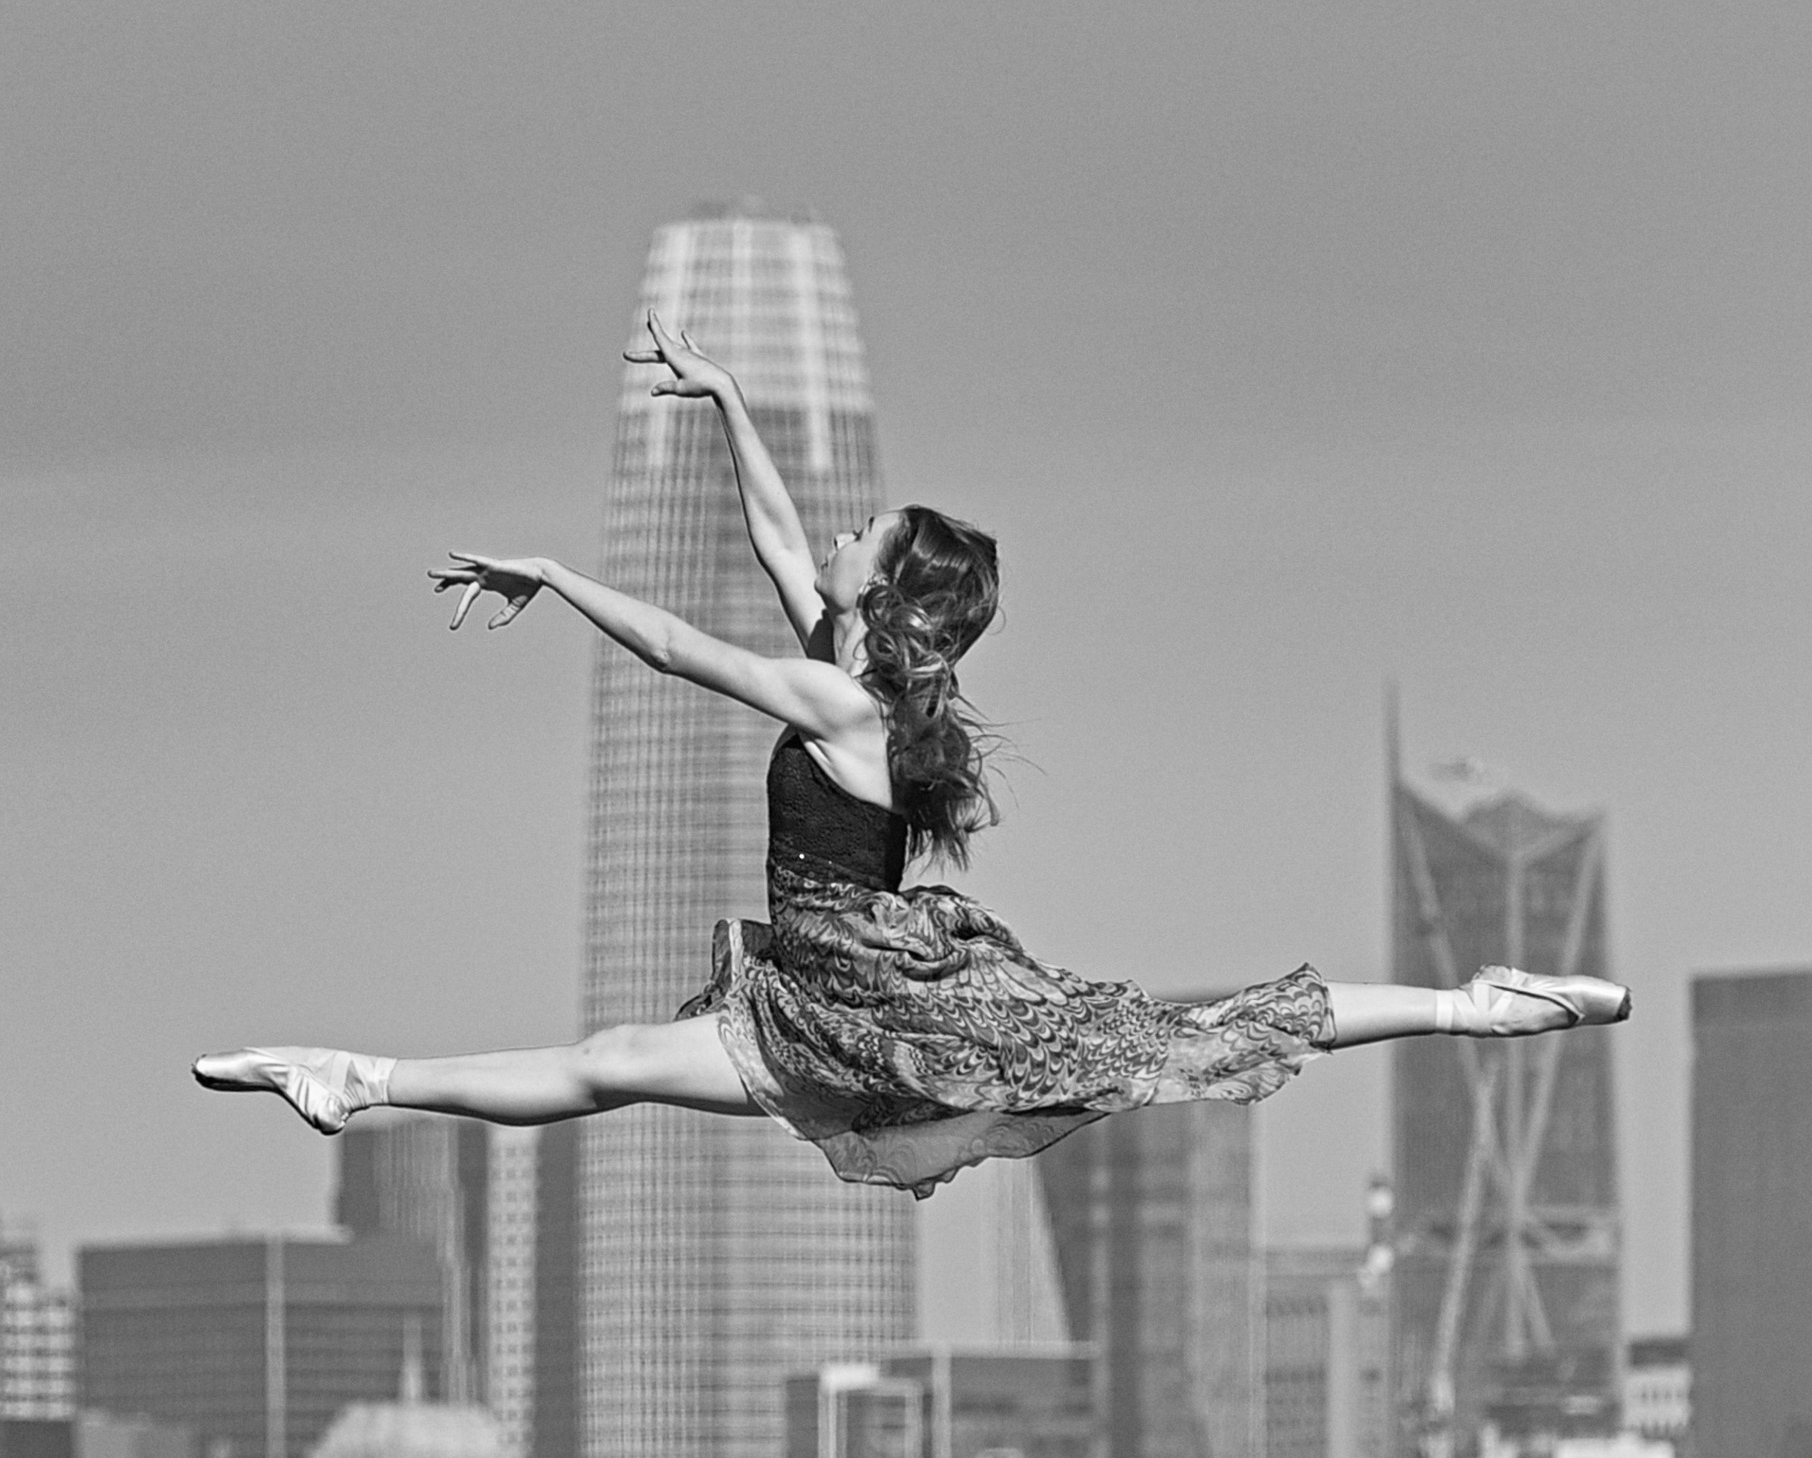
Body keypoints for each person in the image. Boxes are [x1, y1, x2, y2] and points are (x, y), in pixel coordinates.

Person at [194, 314, 1629, 1195]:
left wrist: (559, 575)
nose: (834, 528)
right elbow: (771, 532)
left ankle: (1479, 1006)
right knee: (602, 1063)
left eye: (860, 534)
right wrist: (728, 402)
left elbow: (685, 655)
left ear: (884, 597)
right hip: (828, 994)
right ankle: (356, 1082)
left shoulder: (843, 711)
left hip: (876, 1005)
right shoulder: (845, 668)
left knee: (1189, 1039)